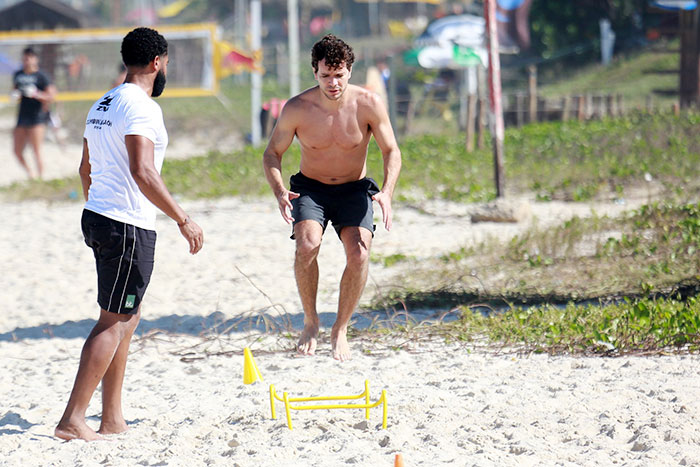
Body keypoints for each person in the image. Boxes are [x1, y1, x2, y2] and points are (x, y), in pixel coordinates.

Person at [55, 27, 204, 442]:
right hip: (124, 224)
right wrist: (182, 218)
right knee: (114, 319)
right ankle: (72, 419)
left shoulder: (103, 101)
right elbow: (143, 171)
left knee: (128, 315)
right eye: (167, 63)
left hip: (102, 215)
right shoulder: (141, 107)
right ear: (157, 62)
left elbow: (85, 168)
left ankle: (112, 417)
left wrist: (98, 205)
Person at [262, 34, 402, 362]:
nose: (333, 83)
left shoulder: (368, 103)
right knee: (307, 245)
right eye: (325, 75)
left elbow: (391, 149)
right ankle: (311, 322)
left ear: (349, 71)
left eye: (338, 75)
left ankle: (340, 327)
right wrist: (280, 190)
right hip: (311, 188)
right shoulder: (297, 108)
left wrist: (387, 192)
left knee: (359, 254)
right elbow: (272, 153)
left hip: (354, 188)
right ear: (315, 72)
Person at [12, 47, 56, 179]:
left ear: (35, 59)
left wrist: (37, 94)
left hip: (37, 116)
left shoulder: (42, 76)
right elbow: (15, 90)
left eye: (30, 57)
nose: (27, 61)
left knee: (36, 150)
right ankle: (30, 174)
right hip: (22, 116)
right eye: (25, 58)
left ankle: (40, 177)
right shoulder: (18, 75)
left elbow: (52, 96)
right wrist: (15, 95)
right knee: (17, 150)